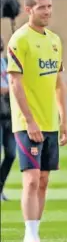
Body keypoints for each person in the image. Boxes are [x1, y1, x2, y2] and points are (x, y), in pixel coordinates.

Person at [7, 0, 67, 242]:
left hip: (50, 123)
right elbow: (14, 82)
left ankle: (33, 238)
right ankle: (30, 240)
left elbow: (58, 83)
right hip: (27, 123)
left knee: (43, 180)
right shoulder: (19, 40)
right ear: (28, 9)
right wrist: (30, 121)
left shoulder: (55, 40)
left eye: (49, 6)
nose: (47, 11)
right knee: (31, 180)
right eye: (41, 7)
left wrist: (64, 119)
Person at [0, 37, 16, 201]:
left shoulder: (5, 62)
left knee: (11, 154)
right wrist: (9, 89)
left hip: (9, 114)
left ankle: (0, 187)